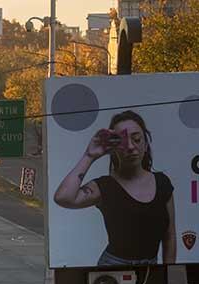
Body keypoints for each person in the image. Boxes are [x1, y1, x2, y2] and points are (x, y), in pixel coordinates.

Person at [53, 110, 177, 266]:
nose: (131, 146)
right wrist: (89, 156)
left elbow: (170, 235)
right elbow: (63, 197)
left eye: (137, 139)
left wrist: (167, 272)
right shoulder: (105, 186)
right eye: (122, 141)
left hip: (150, 270)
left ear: (146, 144)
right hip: (112, 269)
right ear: (113, 149)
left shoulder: (163, 183)